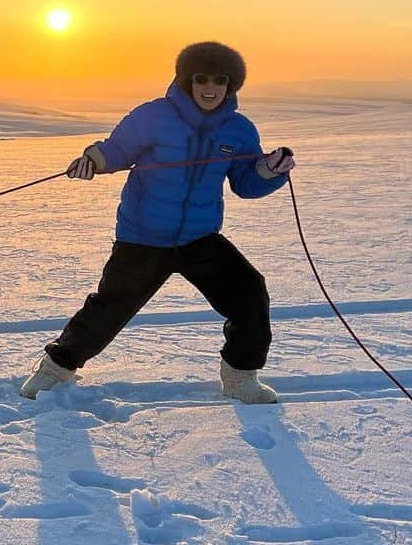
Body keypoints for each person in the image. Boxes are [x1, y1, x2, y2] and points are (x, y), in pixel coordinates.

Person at [22, 41, 295, 404]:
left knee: (250, 294)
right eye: (201, 79)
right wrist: (93, 160)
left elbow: (245, 182)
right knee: (108, 309)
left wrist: (268, 170)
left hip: (200, 238)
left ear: (231, 86)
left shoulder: (239, 130)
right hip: (144, 237)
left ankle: (241, 378)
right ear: (187, 81)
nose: (210, 87)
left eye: (220, 80)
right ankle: (53, 372)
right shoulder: (154, 115)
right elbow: (117, 150)